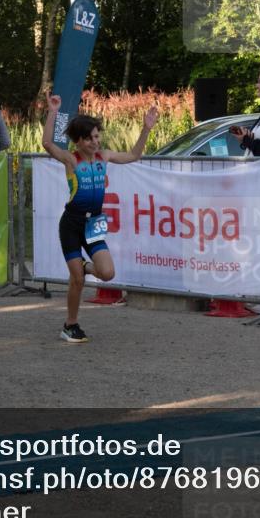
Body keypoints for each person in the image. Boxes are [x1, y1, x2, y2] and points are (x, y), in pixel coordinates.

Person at [43, 93, 158, 343]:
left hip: (94, 223)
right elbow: (47, 144)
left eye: (97, 136)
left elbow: (134, 155)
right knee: (76, 281)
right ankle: (70, 325)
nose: (96, 142)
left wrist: (146, 129)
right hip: (72, 223)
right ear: (79, 141)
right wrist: (52, 111)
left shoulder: (103, 157)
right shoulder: (70, 160)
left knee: (107, 274)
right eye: (91, 138)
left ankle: (84, 266)